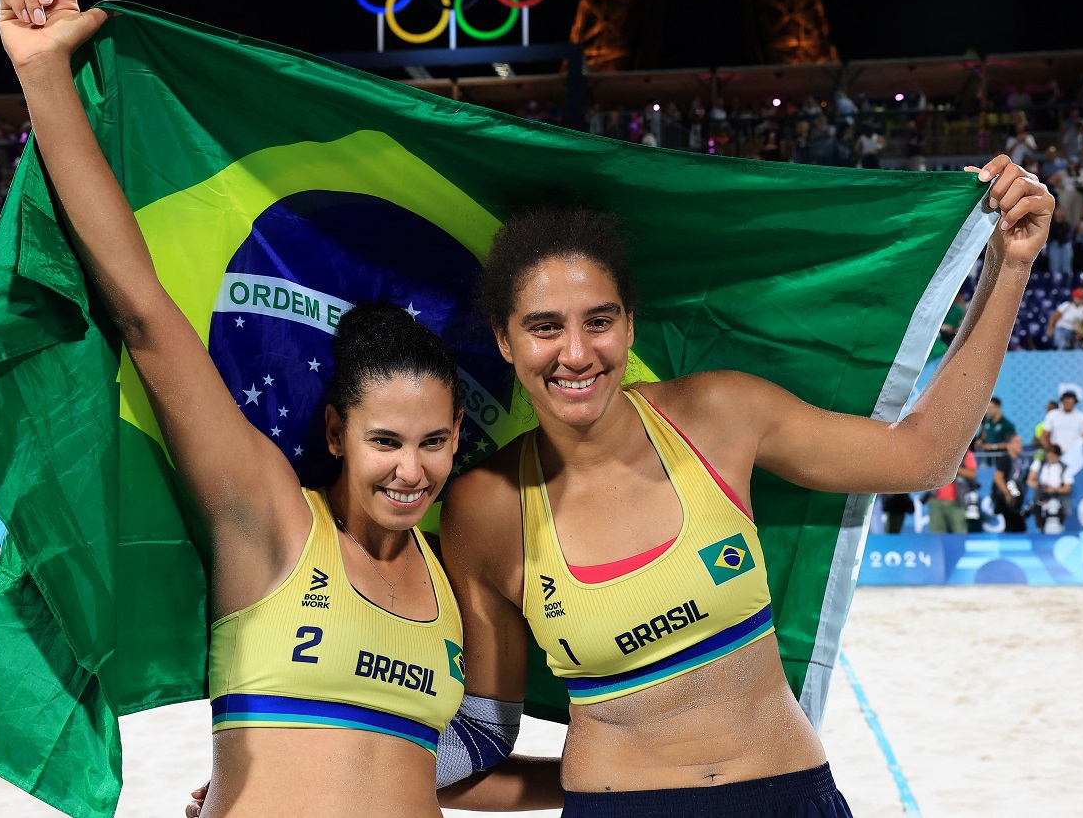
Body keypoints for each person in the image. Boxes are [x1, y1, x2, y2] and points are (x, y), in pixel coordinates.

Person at [0, 0, 558, 818]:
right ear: (337, 431)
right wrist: (44, 75)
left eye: (434, 441)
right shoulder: (267, 520)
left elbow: (447, 764)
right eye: (386, 441)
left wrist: (626, 775)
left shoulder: (450, 584)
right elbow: (145, 312)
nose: (412, 470)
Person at [436, 146, 1050, 815]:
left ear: (630, 322)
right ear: (505, 339)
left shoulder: (718, 415)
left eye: (600, 321)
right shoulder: (486, 506)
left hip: (785, 796)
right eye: (544, 328)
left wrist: (1008, 267)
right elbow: (481, 737)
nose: (577, 353)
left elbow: (921, 457)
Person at [927, 447, 979, 533]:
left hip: (957, 502)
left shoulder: (965, 452)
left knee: (959, 533)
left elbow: (972, 473)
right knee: (936, 535)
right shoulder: (935, 450)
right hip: (936, 501)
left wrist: (953, 467)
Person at [1026, 444, 1072, 533]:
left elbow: (1067, 487)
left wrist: (1055, 490)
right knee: (1040, 522)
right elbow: (1029, 481)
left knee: (1056, 520)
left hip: (1058, 498)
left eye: (1054, 455)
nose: (1051, 457)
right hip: (1041, 497)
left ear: (1058, 456)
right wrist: (1039, 486)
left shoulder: (1064, 467)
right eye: (1049, 454)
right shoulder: (1039, 464)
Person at [991, 434, 1029, 533]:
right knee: (1016, 528)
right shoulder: (1005, 459)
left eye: (1020, 442)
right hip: (1007, 502)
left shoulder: (1019, 461)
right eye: (1016, 442)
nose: (1020, 445)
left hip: (1015, 502)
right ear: (1009, 445)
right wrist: (1007, 494)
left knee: (1018, 528)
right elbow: (998, 477)